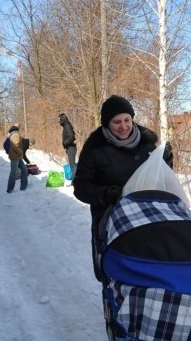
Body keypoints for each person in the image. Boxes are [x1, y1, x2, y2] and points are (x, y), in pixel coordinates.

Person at [72, 94, 173, 280]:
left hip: (147, 216)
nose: (124, 126)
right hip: (112, 218)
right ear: (106, 123)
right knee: (117, 271)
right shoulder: (95, 149)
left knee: (150, 267)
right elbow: (80, 187)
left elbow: (160, 178)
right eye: (117, 122)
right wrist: (105, 194)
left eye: (127, 120)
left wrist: (166, 160)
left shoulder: (147, 144)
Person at [4, 124, 28, 193]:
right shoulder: (16, 135)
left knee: (24, 170)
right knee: (13, 173)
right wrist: (20, 152)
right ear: (16, 129)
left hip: (17, 156)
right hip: (15, 156)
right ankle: (10, 190)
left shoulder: (12, 135)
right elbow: (15, 146)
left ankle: (23, 188)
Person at [59, 113, 78, 181]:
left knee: (72, 165)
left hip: (71, 148)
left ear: (63, 119)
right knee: (72, 165)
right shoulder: (66, 126)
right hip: (70, 148)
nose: (59, 121)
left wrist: (64, 143)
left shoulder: (67, 125)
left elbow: (71, 136)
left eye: (60, 119)